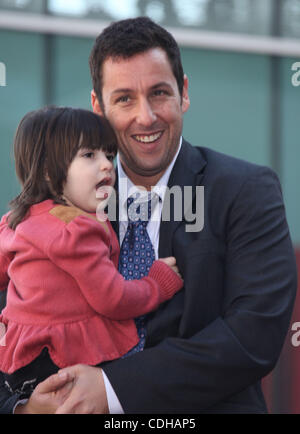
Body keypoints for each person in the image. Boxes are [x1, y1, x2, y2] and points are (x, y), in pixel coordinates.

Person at [4, 16, 297, 414]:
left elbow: (253, 336)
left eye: (159, 93)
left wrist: (111, 389)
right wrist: (21, 406)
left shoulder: (246, 191)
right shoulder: (57, 202)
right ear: (97, 107)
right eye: (124, 98)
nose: (146, 117)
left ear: (184, 93)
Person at [0, 106, 183, 413]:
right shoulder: (77, 228)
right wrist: (157, 283)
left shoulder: (15, 220)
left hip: (18, 360)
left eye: (108, 155)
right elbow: (112, 298)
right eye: (89, 155)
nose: (106, 166)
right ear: (48, 170)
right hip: (61, 357)